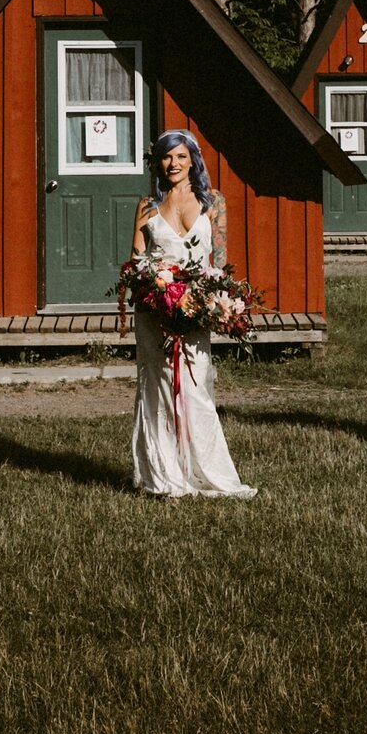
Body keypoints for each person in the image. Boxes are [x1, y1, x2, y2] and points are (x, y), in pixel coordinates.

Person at [124, 130, 256, 499]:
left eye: (181, 157)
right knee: (158, 387)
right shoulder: (147, 206)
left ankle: (207, 472)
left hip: (197, 307)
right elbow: (136, 261)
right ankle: (164, 476)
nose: (174, 164)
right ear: (158, 163)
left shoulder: (213, 202)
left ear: (193, 159)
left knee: (196, 389)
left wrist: (218, 303)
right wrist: (156, 290)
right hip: (155, 309)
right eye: (167, 158)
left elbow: (220, 260)